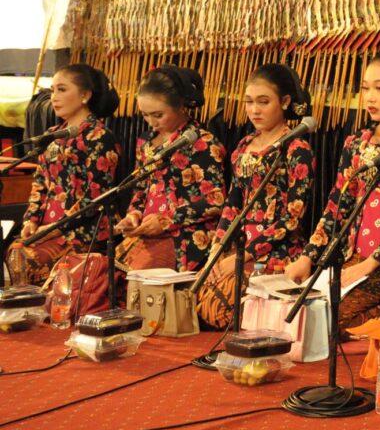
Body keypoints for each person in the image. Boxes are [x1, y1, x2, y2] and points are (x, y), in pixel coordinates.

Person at [285, 50, 380, 329]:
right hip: (355, 259)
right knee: (307, 313)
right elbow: (337, 206)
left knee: (340, 318)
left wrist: (369, 264)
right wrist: (307, 257)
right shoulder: (356, 143)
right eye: (366, 88)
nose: (370, 97)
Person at [196, 64, 314, 329]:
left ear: (284, 102)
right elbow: (233, 202)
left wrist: (249, 253)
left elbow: (294, 216)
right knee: (202, 292)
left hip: (275, 247)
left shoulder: (297, 149)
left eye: (263, 102)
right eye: (249, 102)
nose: (254, 110)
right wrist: (218, 245)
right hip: (239, 245)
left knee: (224, 306)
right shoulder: (243, 146)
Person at [6, 63, 121, 285]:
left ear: (85, 95)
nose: (54, 97)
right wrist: (31, 220)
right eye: (52, 90)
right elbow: (40, 184)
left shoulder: (100, 137)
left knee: (28, 260)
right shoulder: (51, 135)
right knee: (13, 252)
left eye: (62, 89)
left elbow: (95, 197)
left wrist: (55, 228)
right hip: (45, 227)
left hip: (82, 229)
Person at [113, 65, 227, 272]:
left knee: (136, 276)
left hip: (185, 234)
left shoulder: (203, 142)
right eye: (145, 115)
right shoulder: (145, 143)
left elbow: (216, 200)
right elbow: (140, 191)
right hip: (148, 232)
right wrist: (133, 217)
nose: (152, 123)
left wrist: (167, 221)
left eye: (158, 115)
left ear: (180, 106)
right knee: (107, 274)